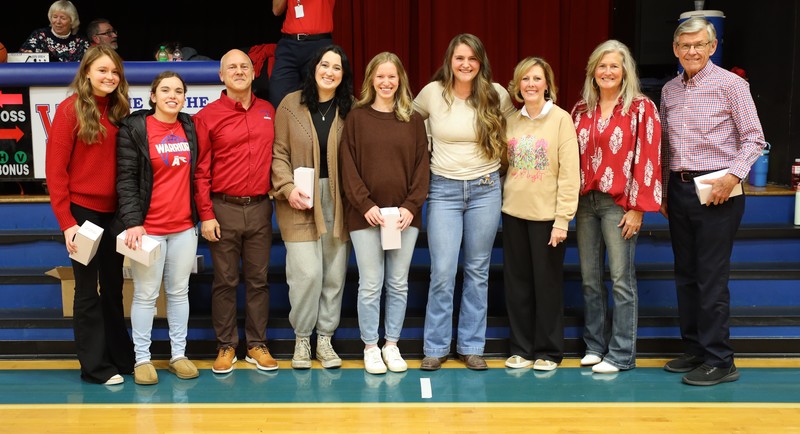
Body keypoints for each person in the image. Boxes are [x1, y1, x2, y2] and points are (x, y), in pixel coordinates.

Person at [660, 17, 766, 386]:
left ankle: (721, 360)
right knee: (686, 275)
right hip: (679, 188)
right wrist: (661, 189)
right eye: (684, 45)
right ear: (675, 49)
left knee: (711, 278)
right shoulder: (670, 90)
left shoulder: (732, 85)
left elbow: (755, 138)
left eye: (698, 45)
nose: (691, 51)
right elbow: (666, 146)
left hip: (718, 188)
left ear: (712, 46)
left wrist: (732, 176)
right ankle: (695, 350)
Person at [414, 33, 514, 371]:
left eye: (472, 58)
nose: (466, 64)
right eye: (460, 58)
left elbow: (520, 126)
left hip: (486, 188)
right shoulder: (432, 93)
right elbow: (405, 122)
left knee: (477, 270)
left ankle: (471, 346)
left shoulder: (496, 94)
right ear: (450, 61)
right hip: (443, 190)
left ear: (480, 62)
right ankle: (436, 347)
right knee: (442, 271)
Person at [571, 40, 662, 375]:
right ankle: (595, 346)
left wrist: (637, 207)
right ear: (593, 72)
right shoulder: (581, 110)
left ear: (625, 71)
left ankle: (621, 353)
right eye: (601, 66)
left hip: (619, 203)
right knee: (589, 278)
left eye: (614, 66)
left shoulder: (641, 108)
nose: (607, 71)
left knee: (621, 279)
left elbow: (648, 157)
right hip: (585, 202)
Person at [45, 45, 134, 385]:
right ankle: (94, 368)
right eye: (102, 71)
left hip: (115, 215)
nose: (109, 77)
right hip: (82, 214)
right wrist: (67, 224)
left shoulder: (119, 111)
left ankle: (118, 357)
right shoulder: (70, 111)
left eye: (114, 72)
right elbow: (55, 173)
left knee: (113, 287)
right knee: (86, 291)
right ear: (86, 73)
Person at [340, 52, 430, 374]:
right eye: (380, 76)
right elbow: (347, 167)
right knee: (370, 283)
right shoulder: (357, 118)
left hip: (404, 218)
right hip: (365, 217)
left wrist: (410, 207)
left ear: (400, 80)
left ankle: (391, 344)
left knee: (398, 282)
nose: (386, 82)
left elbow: (423, 168)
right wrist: (366, 205)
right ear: (371, 81)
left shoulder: (414, 120)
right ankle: (370, 347)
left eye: (392, 76)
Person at [194, 49, 278, 374]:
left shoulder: (268, 110)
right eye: (232, 67)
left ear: (254, 73)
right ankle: (227, 345)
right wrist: (206, 214)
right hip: (222, 208)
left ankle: (256, 345)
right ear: (221, 75)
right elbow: (201, 171)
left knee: (258, 281)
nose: (239, 71)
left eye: (245, 66)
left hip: (259, 207)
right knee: (225, 281)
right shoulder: (208, 116)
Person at [271, 45, 353, 370]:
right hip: (299, 200)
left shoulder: (351, 109)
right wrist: (287, 189)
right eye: (324, 64)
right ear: (314, 67)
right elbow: (279, 154)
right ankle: (302, 339)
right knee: (306, 273)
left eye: (337, 67)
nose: (329, 71)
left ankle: (325, 340)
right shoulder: (290, 105)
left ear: (343, 75)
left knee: (333, 273)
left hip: (339, 198)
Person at [116, 71, 200, 385]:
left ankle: (179, 355)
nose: (172, 95)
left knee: (179, 293)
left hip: (183, 228)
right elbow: (125, 180)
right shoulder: (136, 128)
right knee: (146, 294)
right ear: (153, 96)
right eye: (165, 90)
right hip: (147, 230)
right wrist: (133, 223)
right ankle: (142, 359)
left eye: (178, 90)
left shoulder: (189, 127)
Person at [502, 57, 579, 372]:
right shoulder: (510, 120)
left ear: (547, 83)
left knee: (546, 285)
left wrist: (563, 220)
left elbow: (570, 175)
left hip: (548, 218)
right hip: (513, 213)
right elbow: (504, 164)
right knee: (517, 284)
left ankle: (548, 351)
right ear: (518, 85)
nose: (531, 85)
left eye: (536, 79)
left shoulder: (561, 119)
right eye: (525, 79)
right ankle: (521, 348)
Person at [269, 0, 335, 109]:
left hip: (318, 43)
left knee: (319, 97)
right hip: (289, 44)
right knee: (278, 96)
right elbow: (276, 10)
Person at [19, 0, 89, 62]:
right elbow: (20, 57)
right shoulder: (39, 35)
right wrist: (26, 54)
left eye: (63, 18)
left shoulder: (81, 42)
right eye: (55, 17)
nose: (58, 21)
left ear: (72, 21)